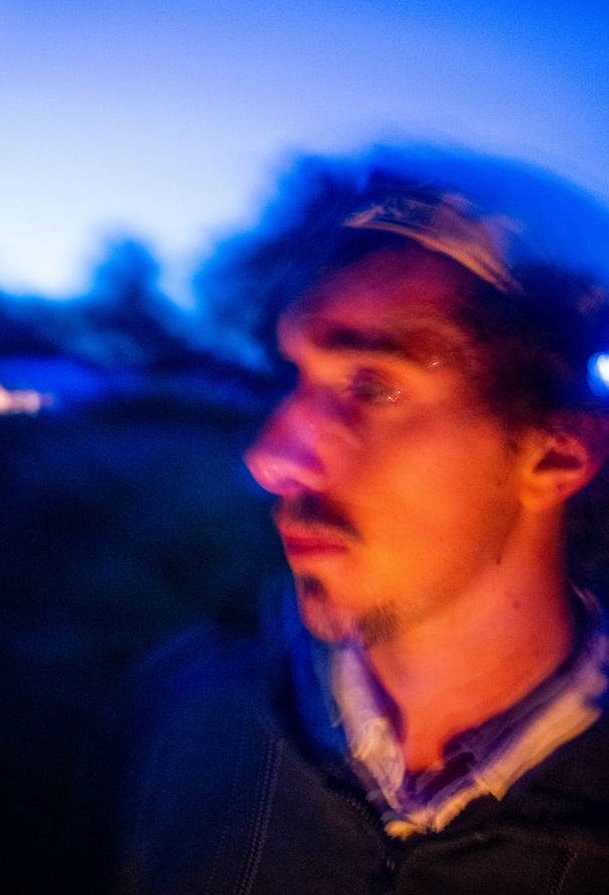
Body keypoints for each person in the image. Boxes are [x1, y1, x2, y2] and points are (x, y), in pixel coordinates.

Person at [88, 150, 609, 894]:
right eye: (294, 378)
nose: (270, 460)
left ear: (557, 451)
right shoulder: (183, 720)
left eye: (372, 385)